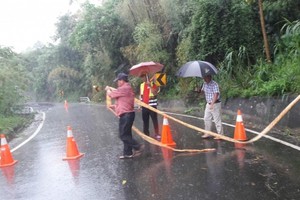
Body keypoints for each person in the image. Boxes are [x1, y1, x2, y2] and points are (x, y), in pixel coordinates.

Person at [105, 72, 144, 159]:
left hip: (126, 115)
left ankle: (138, 146)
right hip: (127, 114)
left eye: (118, 81)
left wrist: (108, 89)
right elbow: (124, 102)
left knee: (123, 135)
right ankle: (128, 153)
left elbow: (111, 95)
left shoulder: (124, 88)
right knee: (127, 134)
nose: (117, 83)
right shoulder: (126, 89)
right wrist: (114, 106)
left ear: (122, 80)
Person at [200, 75, 224, 139]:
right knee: (206, 118)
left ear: (209, 77)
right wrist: (199, 90)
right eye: (204, 78)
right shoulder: (204, 84)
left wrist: (212, 104)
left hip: (215, 103)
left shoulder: (214, 84)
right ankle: (207, 133)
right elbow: (203, 92)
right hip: (208, 103)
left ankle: (220, 134)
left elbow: (216, 94)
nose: (204, 79)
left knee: (217, 120)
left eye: (205, 77)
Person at [139, 73, 161, 140]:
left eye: (143, 77)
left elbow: (155, 93)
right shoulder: (142, 85)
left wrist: (150, 86)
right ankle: (146, 134)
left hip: (152, 106)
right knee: (145, 121)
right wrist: (140, 105)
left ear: (147, 77)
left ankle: (157, 134)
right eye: (141, 77)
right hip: (144, 106)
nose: (142, 78)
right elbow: (141, 95)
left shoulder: (154, 83)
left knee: (154, 120)